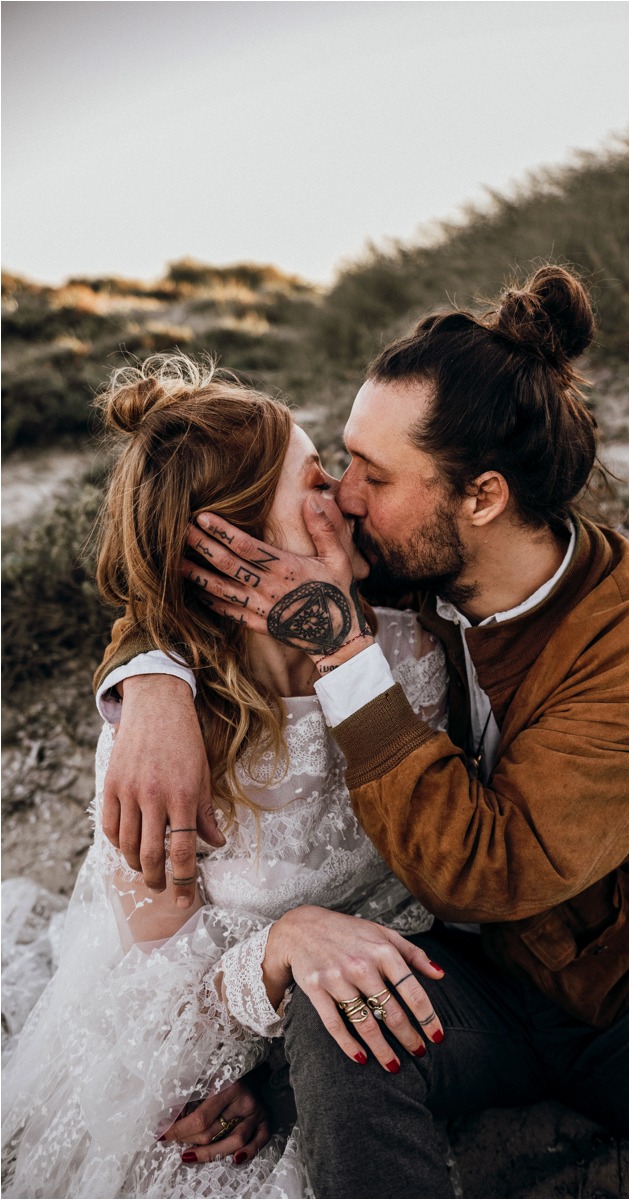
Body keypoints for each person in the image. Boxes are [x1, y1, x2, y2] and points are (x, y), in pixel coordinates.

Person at [91, 266, 629, 1196]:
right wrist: (153, 675)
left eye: (374, 474)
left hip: (623, 1000)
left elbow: (489, 874)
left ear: (480, 497)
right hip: (447, 980)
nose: (345, 497)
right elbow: (196, 558)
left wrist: (342, 651)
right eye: (341, 461)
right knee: (340, 1006)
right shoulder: (394, 559)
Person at [1, 354, 451, 1197]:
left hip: (369, 1019)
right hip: (212, 1027)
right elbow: (154, 1001)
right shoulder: (162, 749)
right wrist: (278, 955)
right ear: (227, 551)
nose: (348, 500)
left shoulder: (413, 654)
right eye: (316, 486)